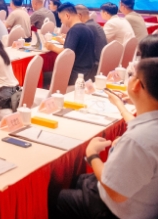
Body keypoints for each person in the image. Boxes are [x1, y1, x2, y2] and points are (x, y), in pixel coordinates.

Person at [56, 58, 158, 219]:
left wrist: (92, 155)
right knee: (80, 179)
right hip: (145, 203)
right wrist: (119, 105)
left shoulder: (137, 141)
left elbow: (115, 193)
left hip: (119, 211)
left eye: (132, 75)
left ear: (136, 85)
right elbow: (140, 126)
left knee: (59, 197)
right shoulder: (149, 127)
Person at [46, 3, 97, 83]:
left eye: (61, 19)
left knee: (42, 77)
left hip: (75, 74)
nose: (62, 22)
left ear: (67, 16)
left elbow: (66, 53)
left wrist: (51, 47)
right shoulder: (87, 28)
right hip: (88, 73)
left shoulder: (74, 30)